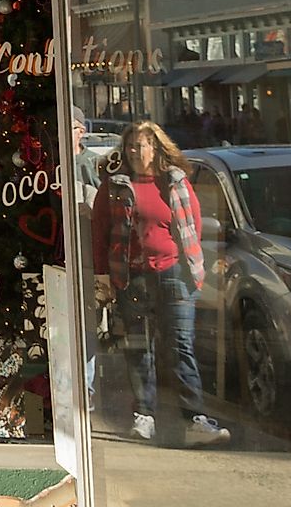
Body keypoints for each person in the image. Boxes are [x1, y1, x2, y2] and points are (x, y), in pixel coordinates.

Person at [91, 120, 230, 448]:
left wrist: (193, 267)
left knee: (180, 345)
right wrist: (102, 276)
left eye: (141, 145)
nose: (135, 151)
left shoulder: (175, 182)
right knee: (139, 346)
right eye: (130, 146)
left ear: (156, 148)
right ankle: (144, 415)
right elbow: (100, 232)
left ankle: (194, 420)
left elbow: (193, 225)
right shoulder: (115, 186)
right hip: (132, 276)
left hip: (174, 274)